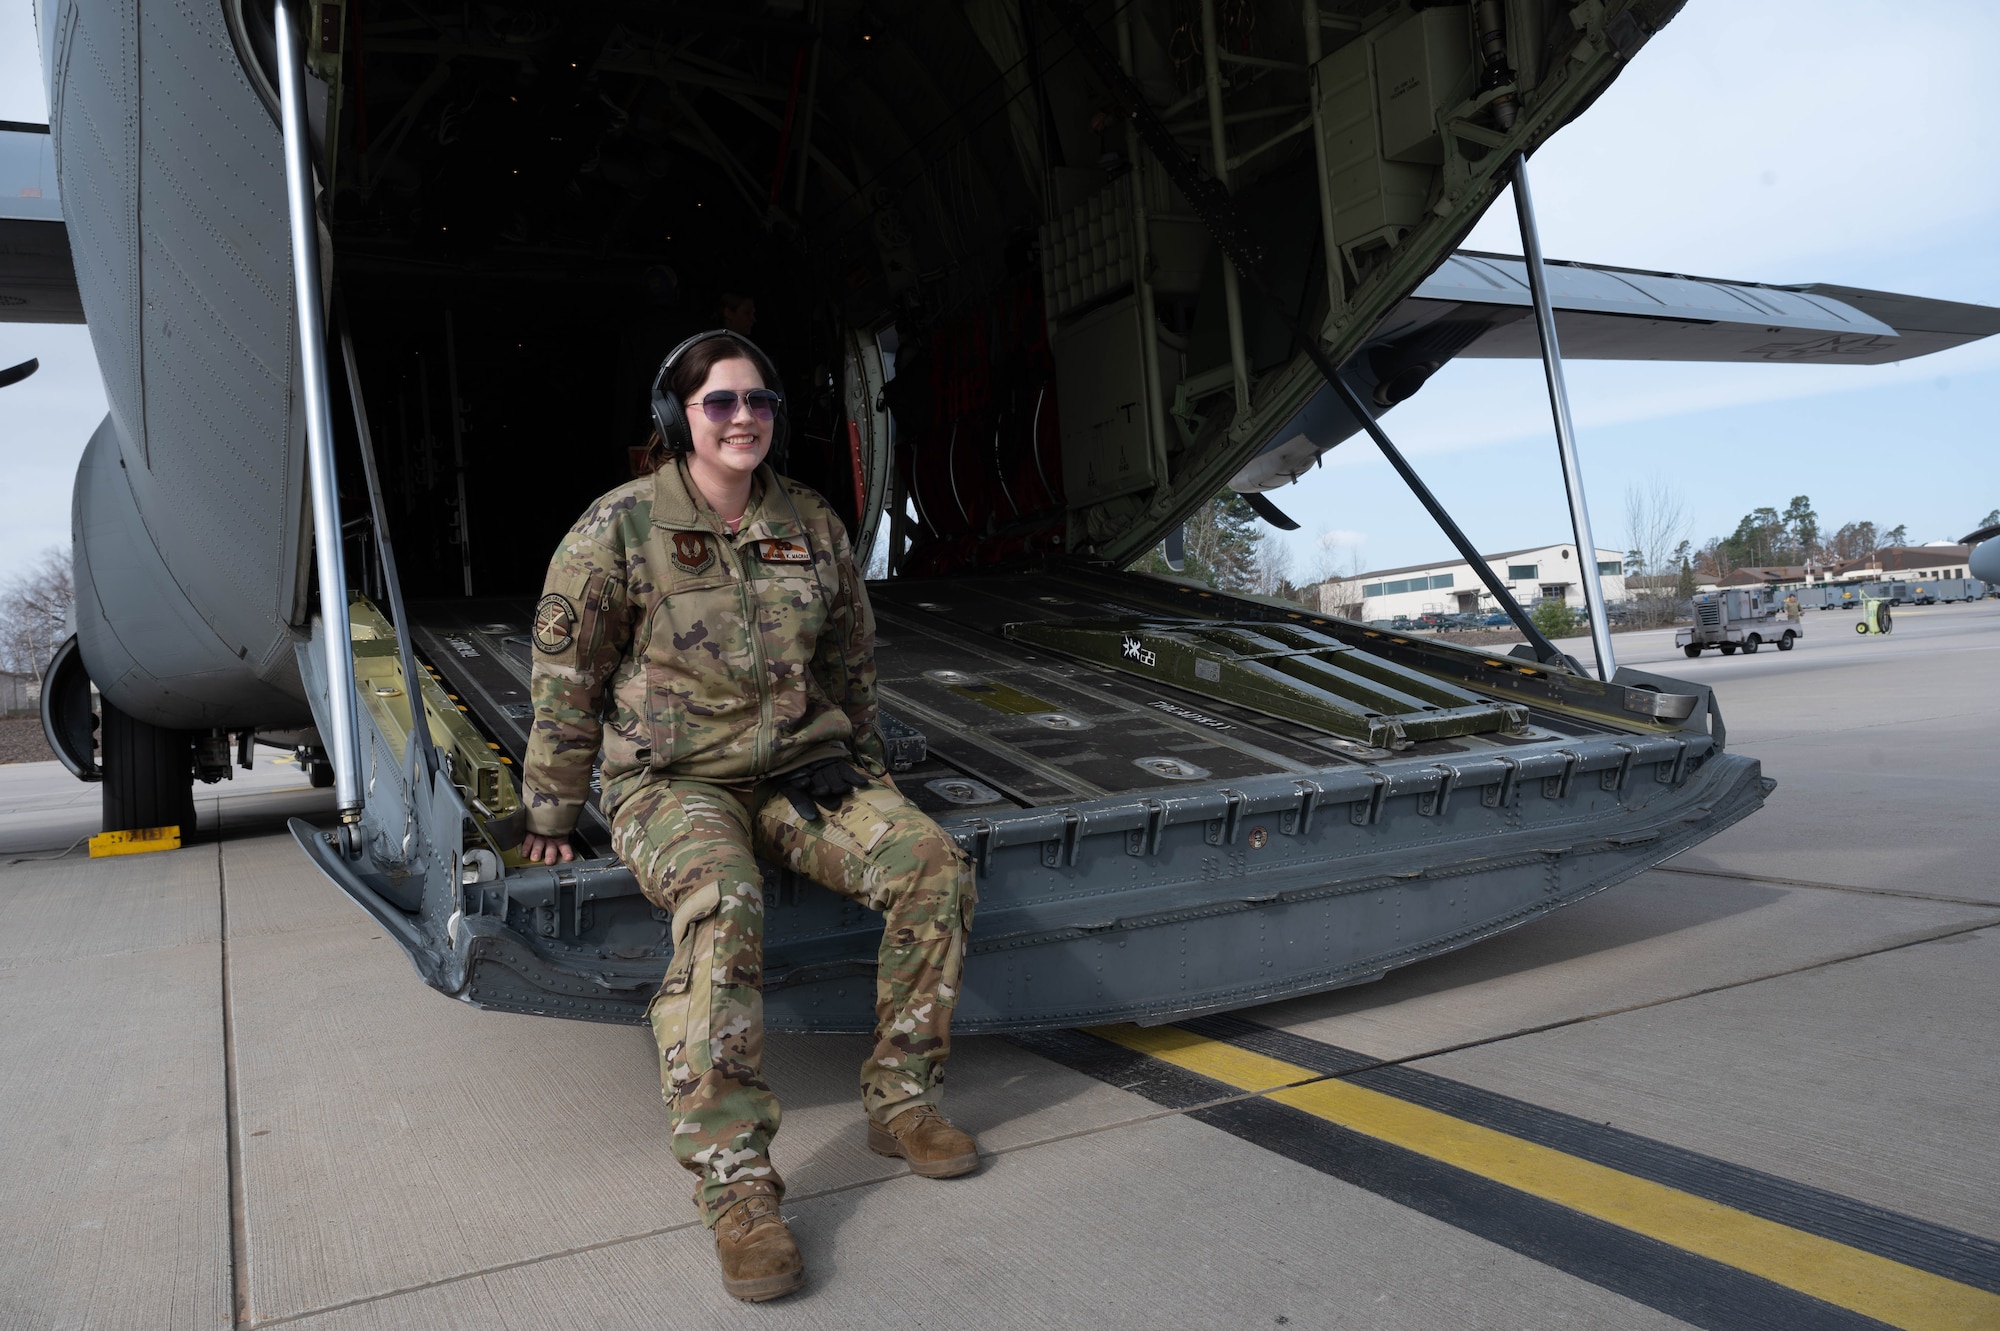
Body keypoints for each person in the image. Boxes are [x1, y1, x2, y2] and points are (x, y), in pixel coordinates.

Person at [518, 331, 978, 1302]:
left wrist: (867, 773)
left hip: (799, 770)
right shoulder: (619, 527)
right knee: (722, 902)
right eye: (719, 401)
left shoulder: (809, 521)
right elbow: (569, 679)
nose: (742, 418)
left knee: (931, 863)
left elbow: (850, 663)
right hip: (672, 781)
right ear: (674, 416)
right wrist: (553, 806)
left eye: (759, 401)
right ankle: (737, 1188)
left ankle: (900, 1099)